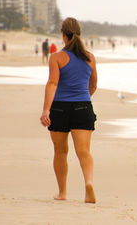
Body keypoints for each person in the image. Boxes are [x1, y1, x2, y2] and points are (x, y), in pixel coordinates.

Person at [40, 17, 98, 203]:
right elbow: (93, 85)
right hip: (83, 106)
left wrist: (46, 110)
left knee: (60, 151)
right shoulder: (90, 57)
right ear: (79, 33)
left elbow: (52, 83)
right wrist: (82, 99)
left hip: (59, 109)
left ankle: (62, 193)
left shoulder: (57, 57)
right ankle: (88, 182)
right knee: (84, 151)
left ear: (63, 34)